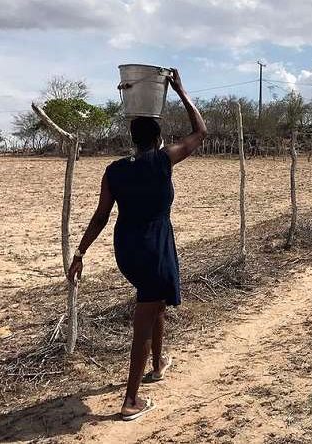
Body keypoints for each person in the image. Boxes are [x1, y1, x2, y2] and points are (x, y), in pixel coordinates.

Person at [66, 68, 207, 421]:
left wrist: (80, 252)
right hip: (154, 249)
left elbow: (101, 216)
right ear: (158, 138)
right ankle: (130, 401)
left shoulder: (115, 170)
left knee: (155, 304)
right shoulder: (163, 160)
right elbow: (200, 132)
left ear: (133, 139)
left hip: (127, 250)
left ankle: (157, 365)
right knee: (145, 316)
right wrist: (181, 90)